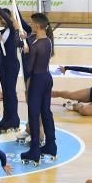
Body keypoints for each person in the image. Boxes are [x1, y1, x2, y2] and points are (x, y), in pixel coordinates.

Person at [20, 13, 57, 165]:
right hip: (47, 78)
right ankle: (51, 145)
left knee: (34, 115)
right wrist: (26, 40)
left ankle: (34, 150)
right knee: (46, 112)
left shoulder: (35, 46)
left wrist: (26, 53)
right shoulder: (48, 41)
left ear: (37, 26)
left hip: (36, 81)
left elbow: (29, 69)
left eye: (32, 24)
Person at [0, 0, 30, 133]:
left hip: (12, 65)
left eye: (3, 18)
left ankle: (14, 120)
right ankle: (6, 118)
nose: (1, 20)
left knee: (11, 93)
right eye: (0, 18)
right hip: (3, 66)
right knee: (6, 93)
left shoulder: (13, 31)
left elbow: (7, 19)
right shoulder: (1, 33)